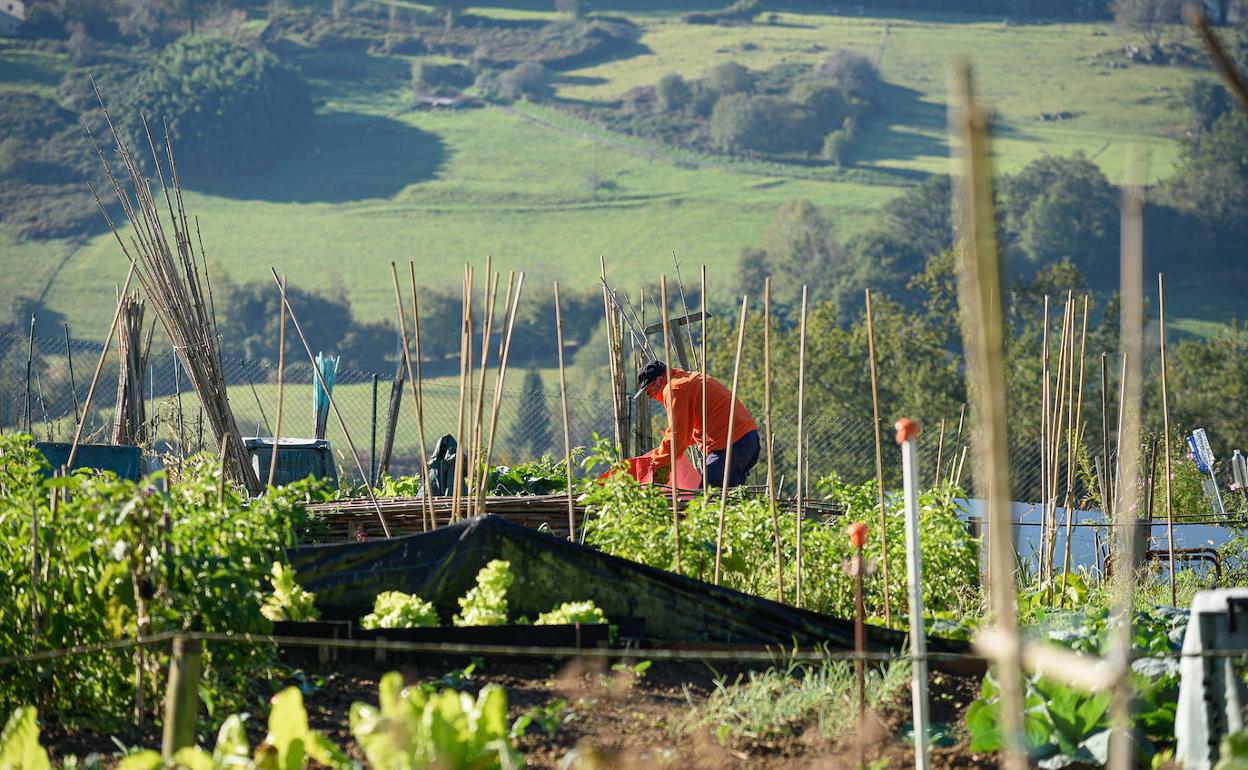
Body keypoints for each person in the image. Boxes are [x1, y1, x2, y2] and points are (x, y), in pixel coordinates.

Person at [635, 360, 760, 488]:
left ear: (658, 380)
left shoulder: (674, 389)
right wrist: (664, 452)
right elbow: (687, 434)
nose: (650, 397)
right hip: (748, 438)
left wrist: (656, 464)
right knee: (728, 495)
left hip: (730, 444)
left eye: (649, 391)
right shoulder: (685, 380)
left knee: (706, 496)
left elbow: (677, 437)